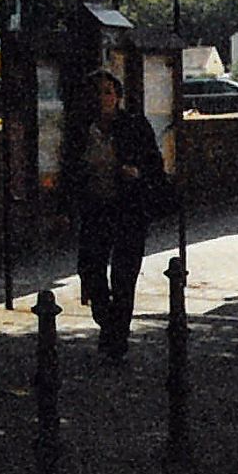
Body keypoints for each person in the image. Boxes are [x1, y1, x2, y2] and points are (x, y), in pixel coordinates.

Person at [60, 68, 166, 361]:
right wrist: (65, 206)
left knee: (123, 276)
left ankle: (116, 339)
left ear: (117, 97)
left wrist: (138, 172)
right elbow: (67, 170)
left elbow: (155, 165)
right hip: (95, 209)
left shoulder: (133, 125)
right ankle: (108, 321)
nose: (101, 98)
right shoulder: (80, 129)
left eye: (107, 92)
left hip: (129, 210)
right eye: (95, 92)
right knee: (91, 270)